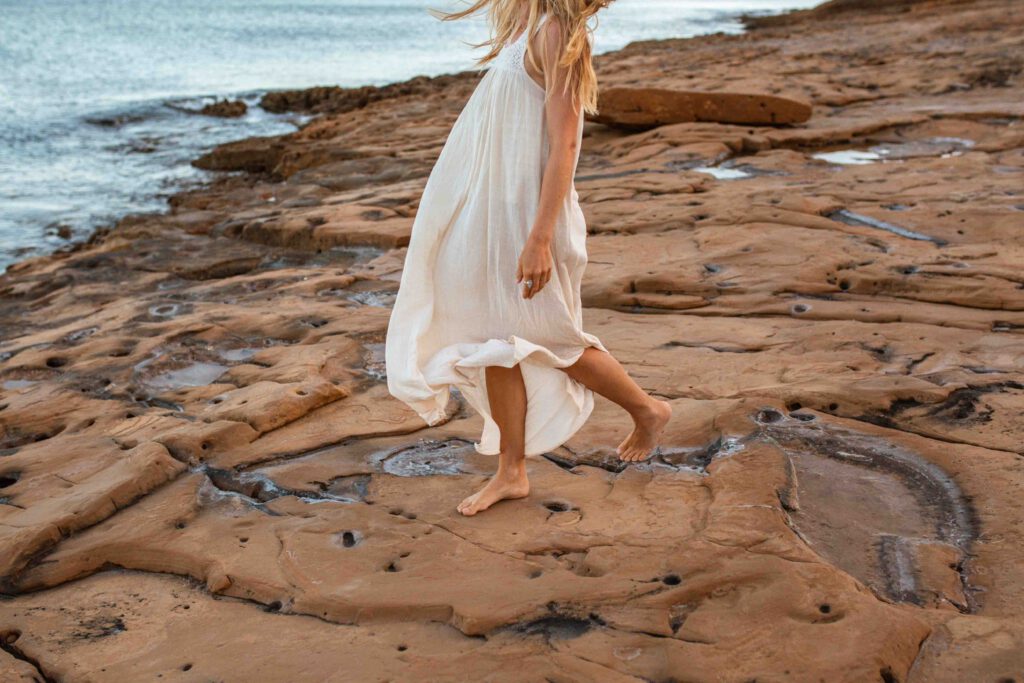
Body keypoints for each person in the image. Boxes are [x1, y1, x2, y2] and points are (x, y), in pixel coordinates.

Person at [384, 0, 672, 516]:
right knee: (494, 339)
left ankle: (648, 410)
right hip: (495, 217)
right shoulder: (527, 24)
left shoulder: (558, 32)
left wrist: (539, 238)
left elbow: (566, 145)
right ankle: (512, 472)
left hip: (532, 219)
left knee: (549, 335)